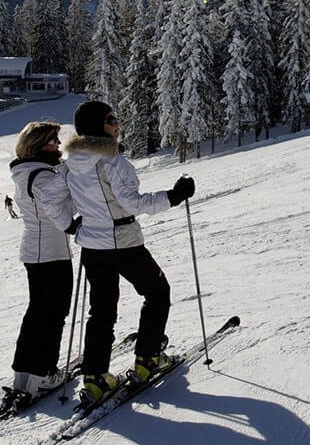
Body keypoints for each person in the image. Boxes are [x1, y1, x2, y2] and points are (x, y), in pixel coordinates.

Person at [38, 100, 194, 408]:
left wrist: (70, 225)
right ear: (98, 126)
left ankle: (96, 378)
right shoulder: (112, 161)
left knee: (102, 309)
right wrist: (174, 197)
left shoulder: (71, 163)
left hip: (93, 248)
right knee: (157, 292)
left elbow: (50, 197)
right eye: (111, 120)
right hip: (123, 242)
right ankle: (148, 358)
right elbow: (133, 203)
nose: (117, 124)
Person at [3, 121, 77, 410]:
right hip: (51, 252)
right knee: (54, 312)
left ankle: (25, 369)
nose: (58, 146)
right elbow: (58, 208)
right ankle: (45, 371)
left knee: (37, 312)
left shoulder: (25, 172)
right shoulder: (43, 175)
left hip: (35, 250)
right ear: (38, 144)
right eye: (52, 141)